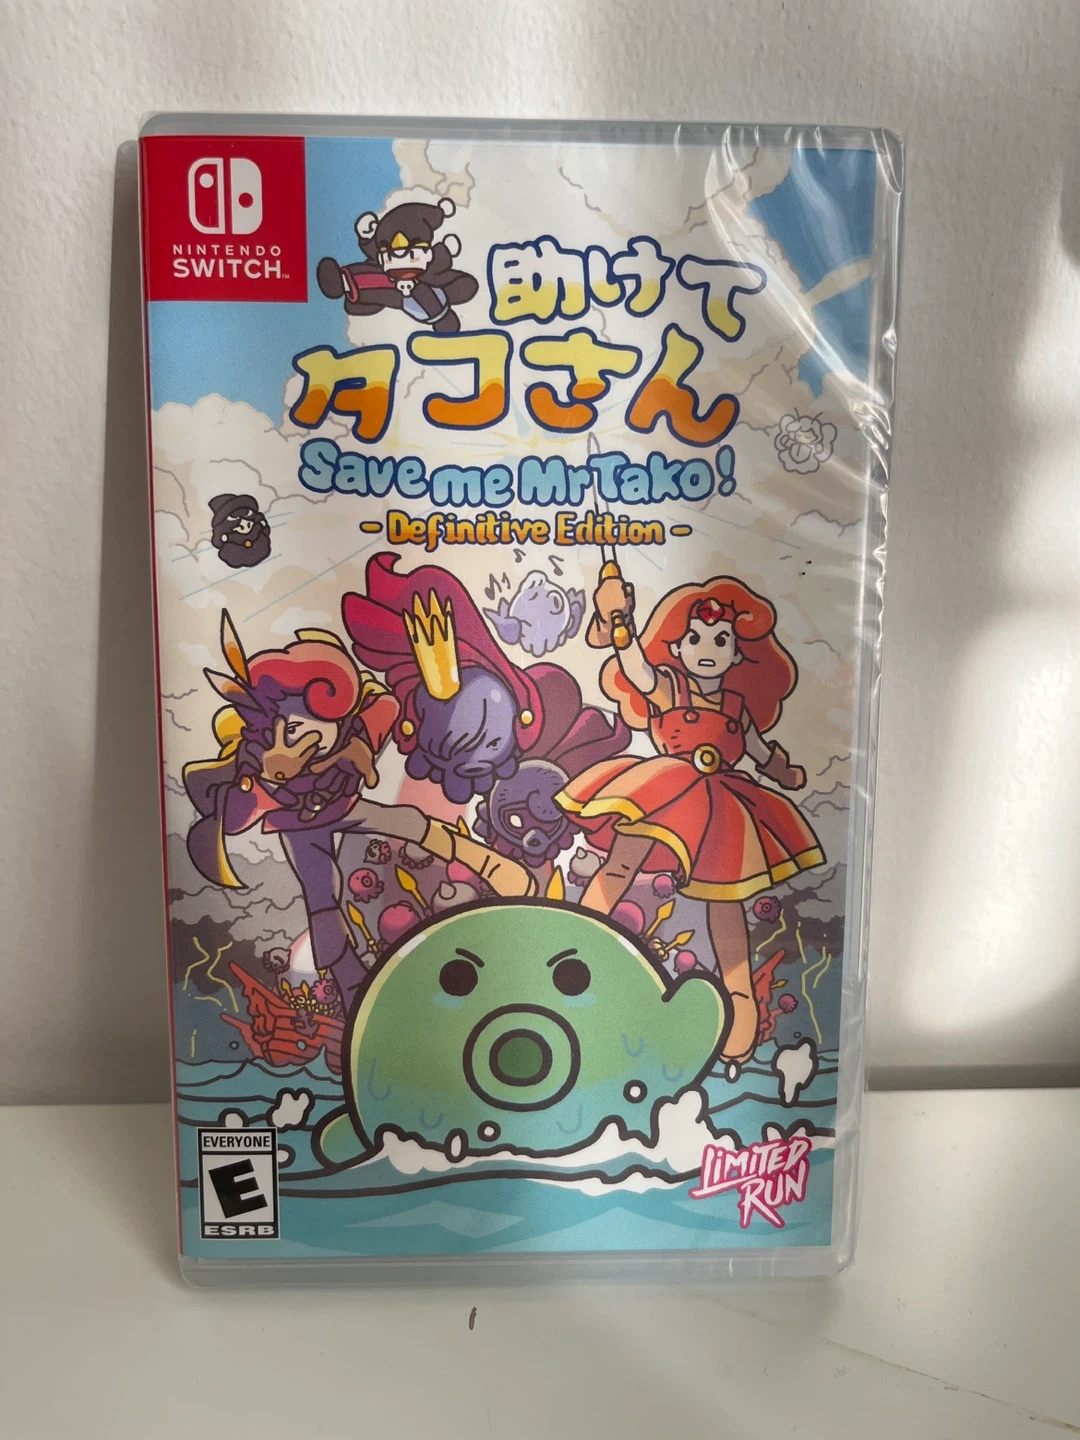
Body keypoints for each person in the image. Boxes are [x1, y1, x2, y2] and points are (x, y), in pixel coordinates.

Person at [184, 613, 532, 1005]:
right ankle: (353, 991)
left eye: (294, 729)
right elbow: (235, 812)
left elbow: (384, 707)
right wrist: (263, 778)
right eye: (280, 733)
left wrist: (356, 752)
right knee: (322, 899)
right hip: (300, 826)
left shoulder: (355, 725)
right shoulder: (260, 762)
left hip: (342, 805)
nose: (286, 743)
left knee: (403, 821)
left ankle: (488, 863)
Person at [557, 572, 824, 1064]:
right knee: (621, 865)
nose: (707, 649)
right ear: (677, 649)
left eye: (721, 641)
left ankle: (739, 1003)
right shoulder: (670, 688)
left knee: (725, 900)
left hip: (721, 805)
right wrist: (620, 623)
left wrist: (785, 774)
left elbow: (761, 752)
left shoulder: (737, 707)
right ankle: (576, 945)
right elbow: (636, 669)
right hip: (666, 789)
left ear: (737, 655)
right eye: (695, 638)